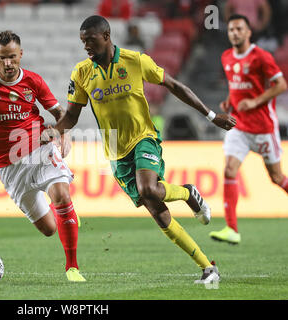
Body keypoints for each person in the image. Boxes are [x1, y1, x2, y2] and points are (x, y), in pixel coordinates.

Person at [43, 15, 236, 284]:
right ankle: (207, 266)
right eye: (82, 41)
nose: (86, 45)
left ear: (107, 36)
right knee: (157, 210)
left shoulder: (135, 60)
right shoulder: (82, 73)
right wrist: (54, 131)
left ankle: (188, 193)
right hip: (115, 150)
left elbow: (174, 85)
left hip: (144, 138)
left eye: (91, 40)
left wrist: (211, 115)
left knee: (147, 188)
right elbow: (73, 115)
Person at [0, 30, 85, 282]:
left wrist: (63, 136)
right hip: (7, 166)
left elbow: (59, 113)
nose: (8, 63)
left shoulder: (33, 81)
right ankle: (64, 219)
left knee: (62, 194)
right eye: (2, 58)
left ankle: (72, 268)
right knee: (48, 229)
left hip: (38, 149)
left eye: (12, 57)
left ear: (21, 54)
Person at [209, 14, 287, 244]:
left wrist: (254, 102)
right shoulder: (226, 57)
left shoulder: (261, 56)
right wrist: (228, 102)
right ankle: (231, 229)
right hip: (239, 127)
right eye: (231, 29)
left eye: (239, 29)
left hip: (263, 127)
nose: (234, 32)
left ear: (248, 32)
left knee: (276, 177)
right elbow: (235, 86)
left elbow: (281, 85)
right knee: (229, 170)